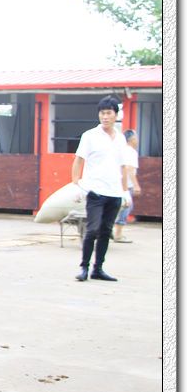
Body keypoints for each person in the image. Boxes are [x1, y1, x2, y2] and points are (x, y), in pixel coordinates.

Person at [70, 96, 128, 282]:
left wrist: (125, 191)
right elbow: (78, 160)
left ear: (116, 115)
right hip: (95, 191)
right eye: (102, 113)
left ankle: (98, 268)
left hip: (114, 192)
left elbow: (123, 166)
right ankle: (84, 267)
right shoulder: (90, 136)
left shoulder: (120, 138)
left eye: (108, 113)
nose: (105, 117)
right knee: (92, 229)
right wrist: (76, 184)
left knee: (106, 231)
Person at [114, 129, 142, 243]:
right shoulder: (131, 152)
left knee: (121, 207)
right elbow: (130, 169)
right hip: (125, 185)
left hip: (118, 184)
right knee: (126, 207)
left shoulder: (122, 150)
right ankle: (118, 234)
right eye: (136, 137)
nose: (137, 140)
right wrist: (136, 185)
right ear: (132, 139)